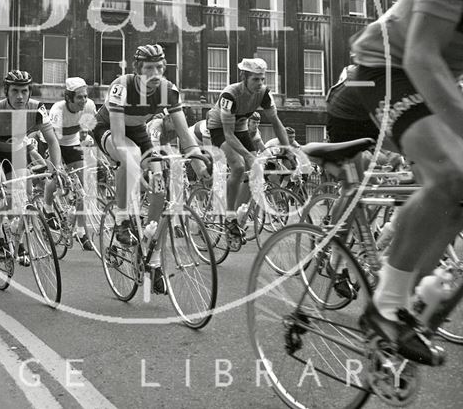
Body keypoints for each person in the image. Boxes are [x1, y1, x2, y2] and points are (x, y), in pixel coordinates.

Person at [347, 0, 463, 364]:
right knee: (453, 173)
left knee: (459, 193)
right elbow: (419, 55)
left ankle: (406, 310)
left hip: (436, 74)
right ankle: (385, 305)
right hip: (382, 66)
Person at [91, 44, 208, 293]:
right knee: (130, 155)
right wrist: (135, 170)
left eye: (159, 67)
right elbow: (121, 139)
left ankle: (152, 263)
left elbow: (186, 137)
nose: (155, 73)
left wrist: (200, 167)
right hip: (110, 129)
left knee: (160, 189)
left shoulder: (168, 91)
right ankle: (122, 220)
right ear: (137, 70)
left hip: (139, 132)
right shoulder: (121, 86)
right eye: (148, 68)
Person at [0, 70, 62, 262]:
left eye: (24, 91)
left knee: (23, 195)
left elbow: (53, 141)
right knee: (0, 190)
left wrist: (56, 169)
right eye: (15, 91)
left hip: (17, 149)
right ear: (6, 91)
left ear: (30, 92)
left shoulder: (38, 110)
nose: (20, 96)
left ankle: (18, 239)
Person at [206, 58, 288, 238]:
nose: (260, 83)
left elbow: (276, 122)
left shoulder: (265, 93)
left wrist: (288, 149)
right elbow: (228, 134)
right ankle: (229, 217)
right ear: (244, 77)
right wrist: (248, 156)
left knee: (256, 169)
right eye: (255, 79)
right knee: (239, 166)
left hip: (241, 126)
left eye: (262, 79)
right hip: (220, 127)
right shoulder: (230, 94)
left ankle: (238, 212)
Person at [48, 77, 97, 251]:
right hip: (55, 143)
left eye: (85, 96)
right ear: (68, 98)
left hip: (72, 143)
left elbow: (88, 129)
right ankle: (47, 209)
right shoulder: (57, 110)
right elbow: (52, 139)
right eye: (79, 98)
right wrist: (58, 165)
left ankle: (81, 232)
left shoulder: (89, 106)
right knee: (55, 178)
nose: (84, 100)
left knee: (81, 191)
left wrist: (87, 142)